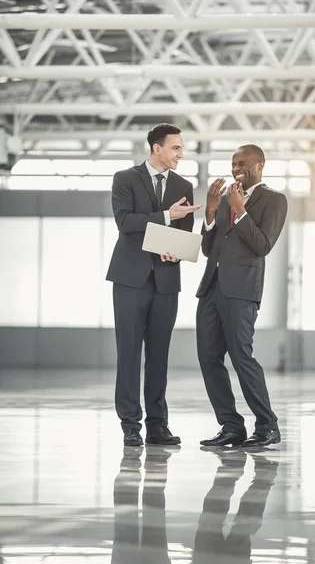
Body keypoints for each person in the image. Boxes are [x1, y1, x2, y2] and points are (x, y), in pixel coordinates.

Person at [106, 123, 201, 447]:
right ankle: (130, 425)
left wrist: (178, 249)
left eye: (181, 148)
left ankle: (158, 425)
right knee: (129, 354)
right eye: (175, 148)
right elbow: (125, 221)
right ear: (156, 148)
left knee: (159, 356)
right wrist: (164, 216)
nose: (180, 153)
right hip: (130, 279)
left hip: (165, 280)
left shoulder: (184, 184)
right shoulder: (125, 179)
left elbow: (184, 233)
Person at [196, 144, 288, 448]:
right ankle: (231, 426)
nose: (236, 167)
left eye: (243, 163)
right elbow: (210, 248)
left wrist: (241, 209)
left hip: (242, 290)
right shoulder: (224, 200)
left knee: (241, 356)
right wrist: (211, 211)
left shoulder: (274, 200)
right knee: (209, 358)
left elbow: (263, 245)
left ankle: (267, 426)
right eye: (234, 162)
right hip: (212, 287)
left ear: (259, 165)